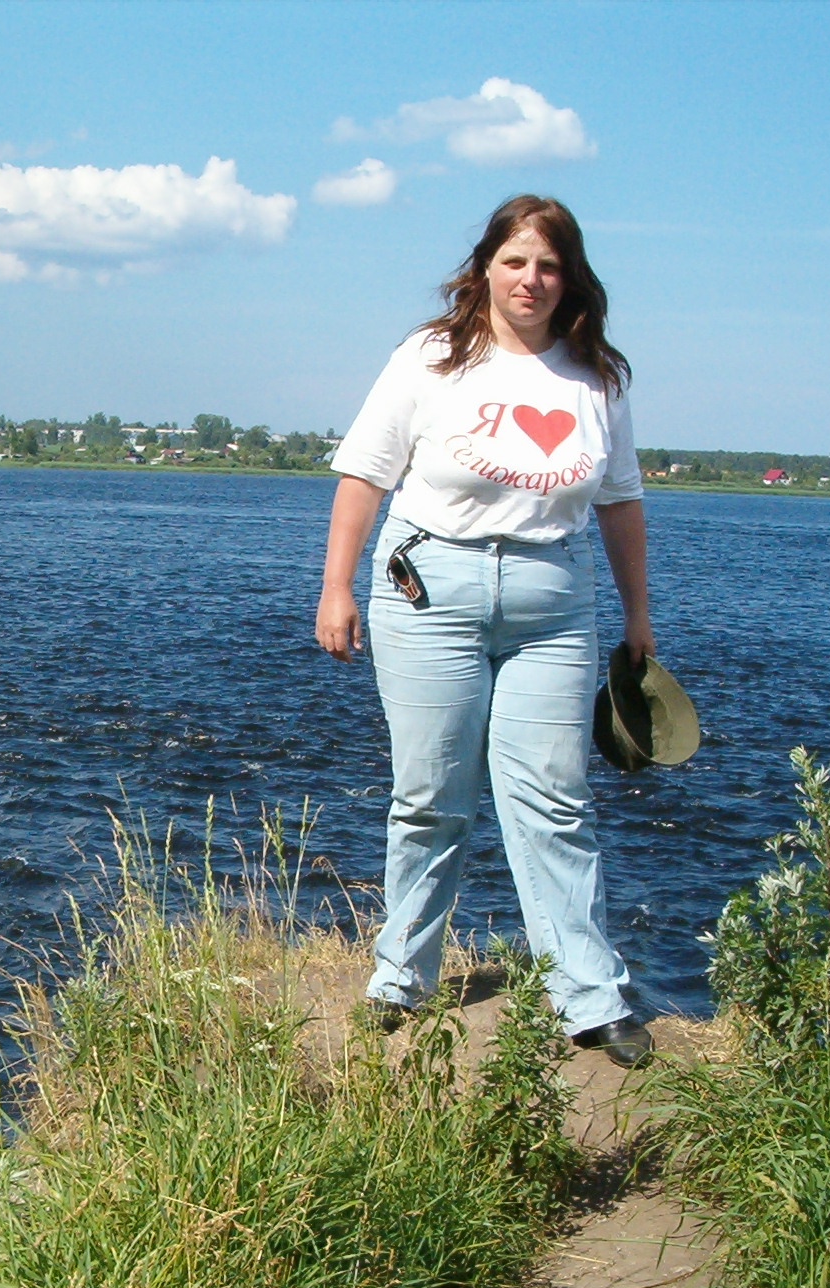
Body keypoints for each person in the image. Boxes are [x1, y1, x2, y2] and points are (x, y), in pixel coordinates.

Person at [313, 193, 654, 1068]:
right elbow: (363, 474)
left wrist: (638, 617)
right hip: (430, 588)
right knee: (431, 796)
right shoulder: (431, 358)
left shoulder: (596, 376)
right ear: (485, 269)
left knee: (555, 799)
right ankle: (402, 977)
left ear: (569, 277)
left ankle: (588, 997)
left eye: (548, 265)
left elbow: (619, 502)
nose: (531, 280)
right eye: (515, 262)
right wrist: (336, 589)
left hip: (553, 600)